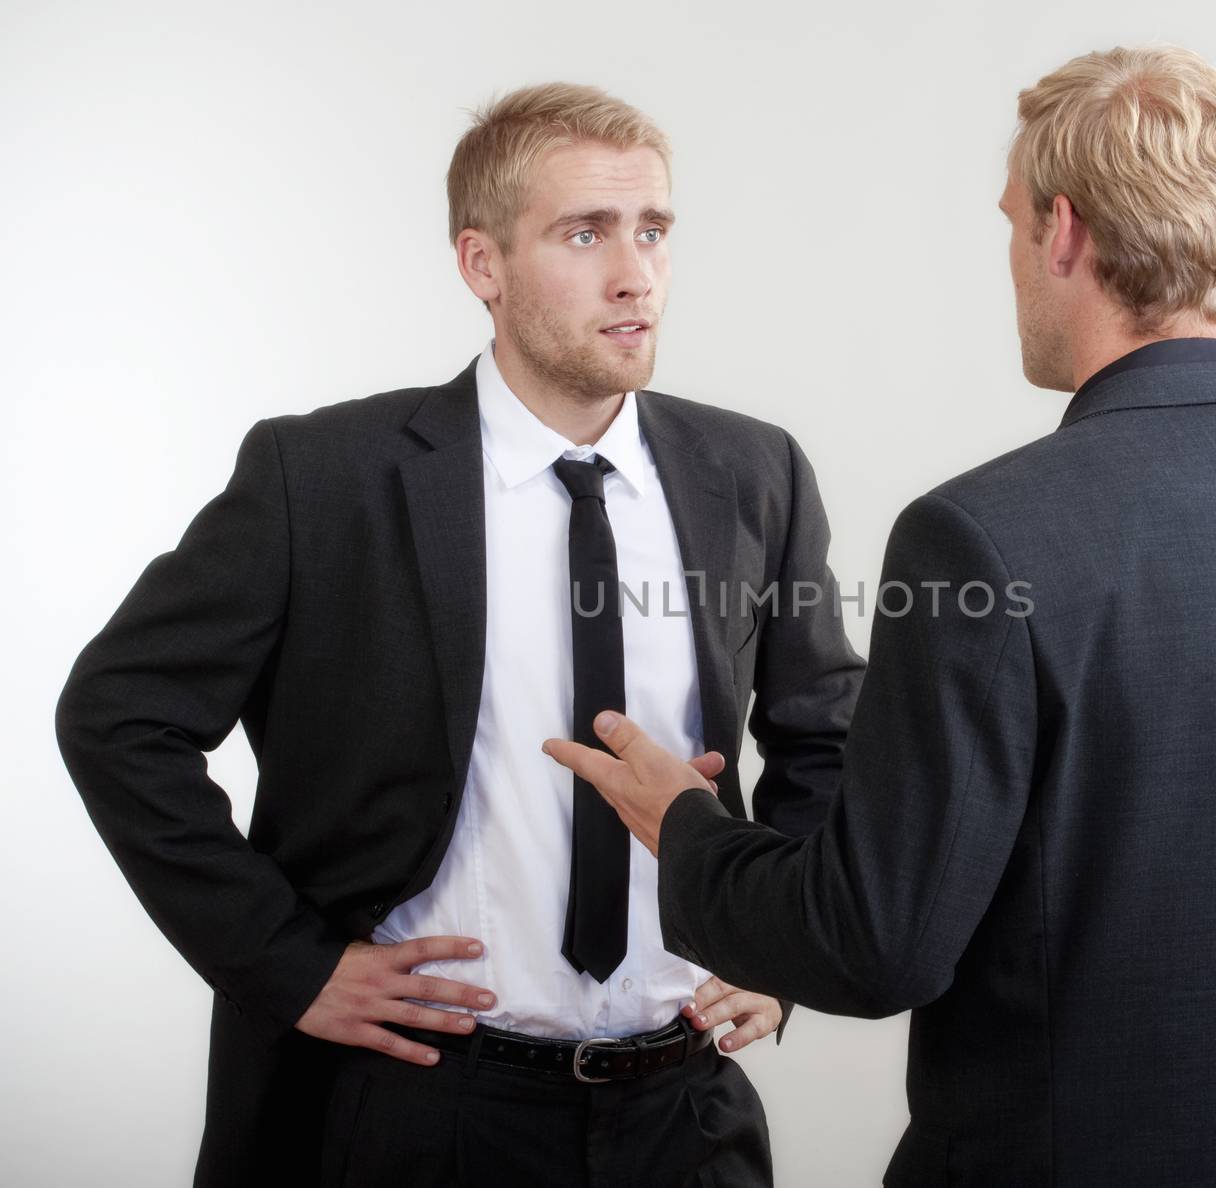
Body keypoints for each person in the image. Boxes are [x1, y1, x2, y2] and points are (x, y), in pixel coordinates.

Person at [543, 46, 1216, 1186]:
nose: (1012, 259)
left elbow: (877, 944)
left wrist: (688, 830)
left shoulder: (978, 538)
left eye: (1011, 225)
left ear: (1063, 232)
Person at [55, 83, 863, 1187]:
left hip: (684, 1114)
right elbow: (118, 716)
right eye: (585, 233)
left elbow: (826, 736)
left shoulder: (751, 471)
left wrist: (788, 947)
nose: (635, 273)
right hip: (417, 1109)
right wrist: (287, 966)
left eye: (653, 230)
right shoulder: (323, 478)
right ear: (481, 264)